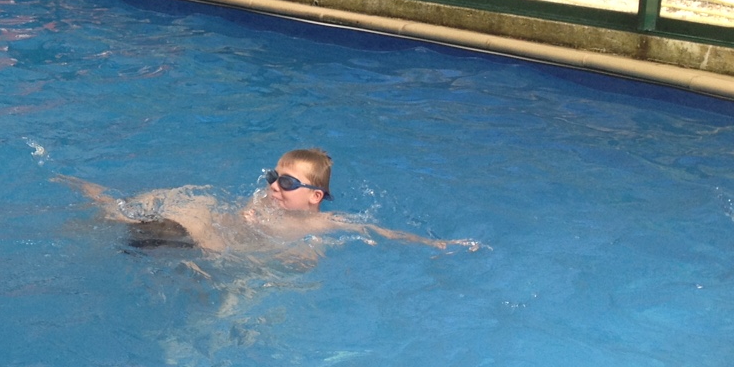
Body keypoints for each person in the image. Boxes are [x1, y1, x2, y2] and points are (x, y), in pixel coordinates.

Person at [65, 148, 479, 252]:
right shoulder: (260, 204)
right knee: (155, 217)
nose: (274, 188)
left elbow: (376, 230)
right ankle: (101, 202)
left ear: (316, 196)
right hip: (210, 240)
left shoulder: (322, 224)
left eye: (287, 183)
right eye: (272, 178)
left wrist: (437, 244)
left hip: (221, 255)